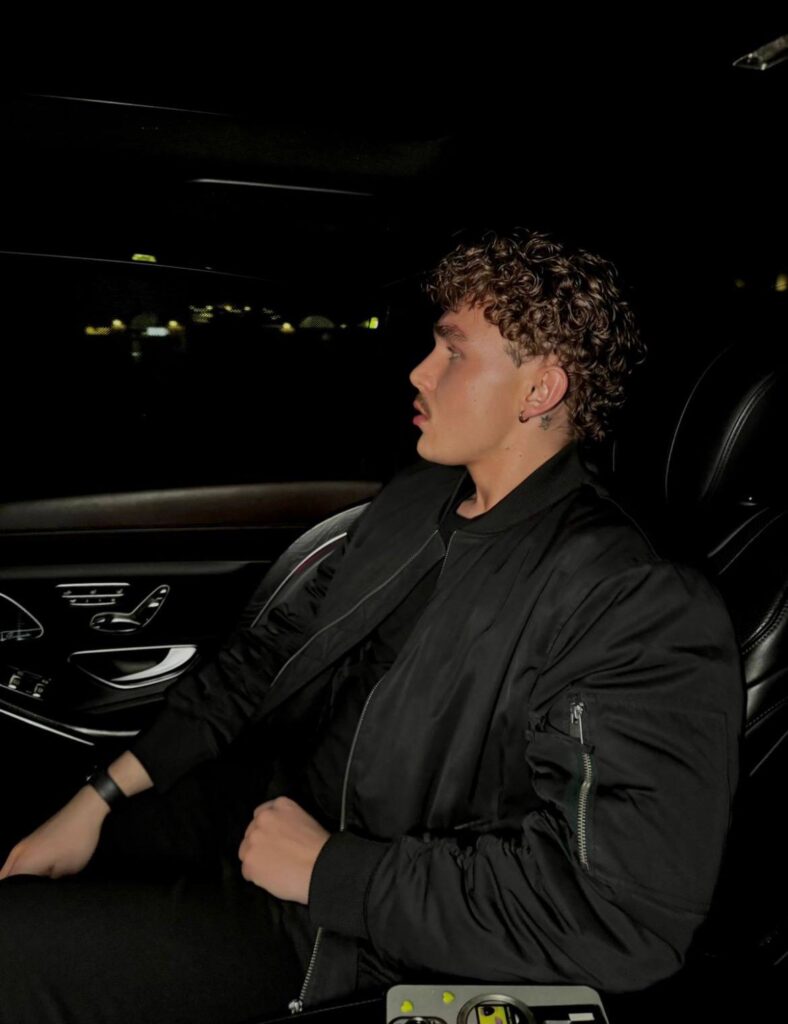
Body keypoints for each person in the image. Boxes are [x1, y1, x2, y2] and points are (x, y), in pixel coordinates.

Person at [0, 227, 743, 1024]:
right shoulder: (416, 499)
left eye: (453, 352)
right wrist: (101, 796)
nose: (419, 370)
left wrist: (332, 872)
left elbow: (618, 915)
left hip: (359, 936)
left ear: (539, 391)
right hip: (266, 808)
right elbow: (262, 662)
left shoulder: (630, 599)